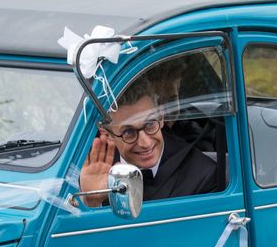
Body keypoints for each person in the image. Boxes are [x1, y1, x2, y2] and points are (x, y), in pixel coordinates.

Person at [79, 81, 217, 207]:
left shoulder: (202, 175)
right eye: (129, 132)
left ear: (161, 117)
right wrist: (91, 203)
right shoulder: (92, 167)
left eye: (150, 124)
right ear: (107, 134)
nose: (145, 143)